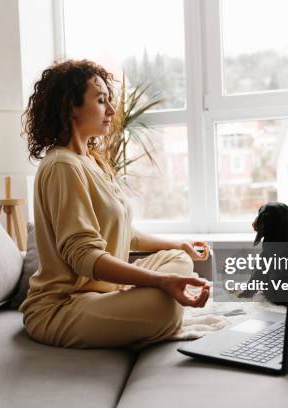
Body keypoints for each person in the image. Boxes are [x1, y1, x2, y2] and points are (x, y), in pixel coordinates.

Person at [19, 59, 211, 349]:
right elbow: (84, 256)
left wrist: (176, 244)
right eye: (100, 101)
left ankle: (132, 306)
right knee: (164, 307)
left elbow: (124, 233)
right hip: (63, 306)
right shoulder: (63, 166)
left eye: (109, 100)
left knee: (178, 260)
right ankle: (142, 310)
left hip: (105, 293)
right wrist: (159, 282)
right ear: (71, 106)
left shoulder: (92, 161)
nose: (111, 110)